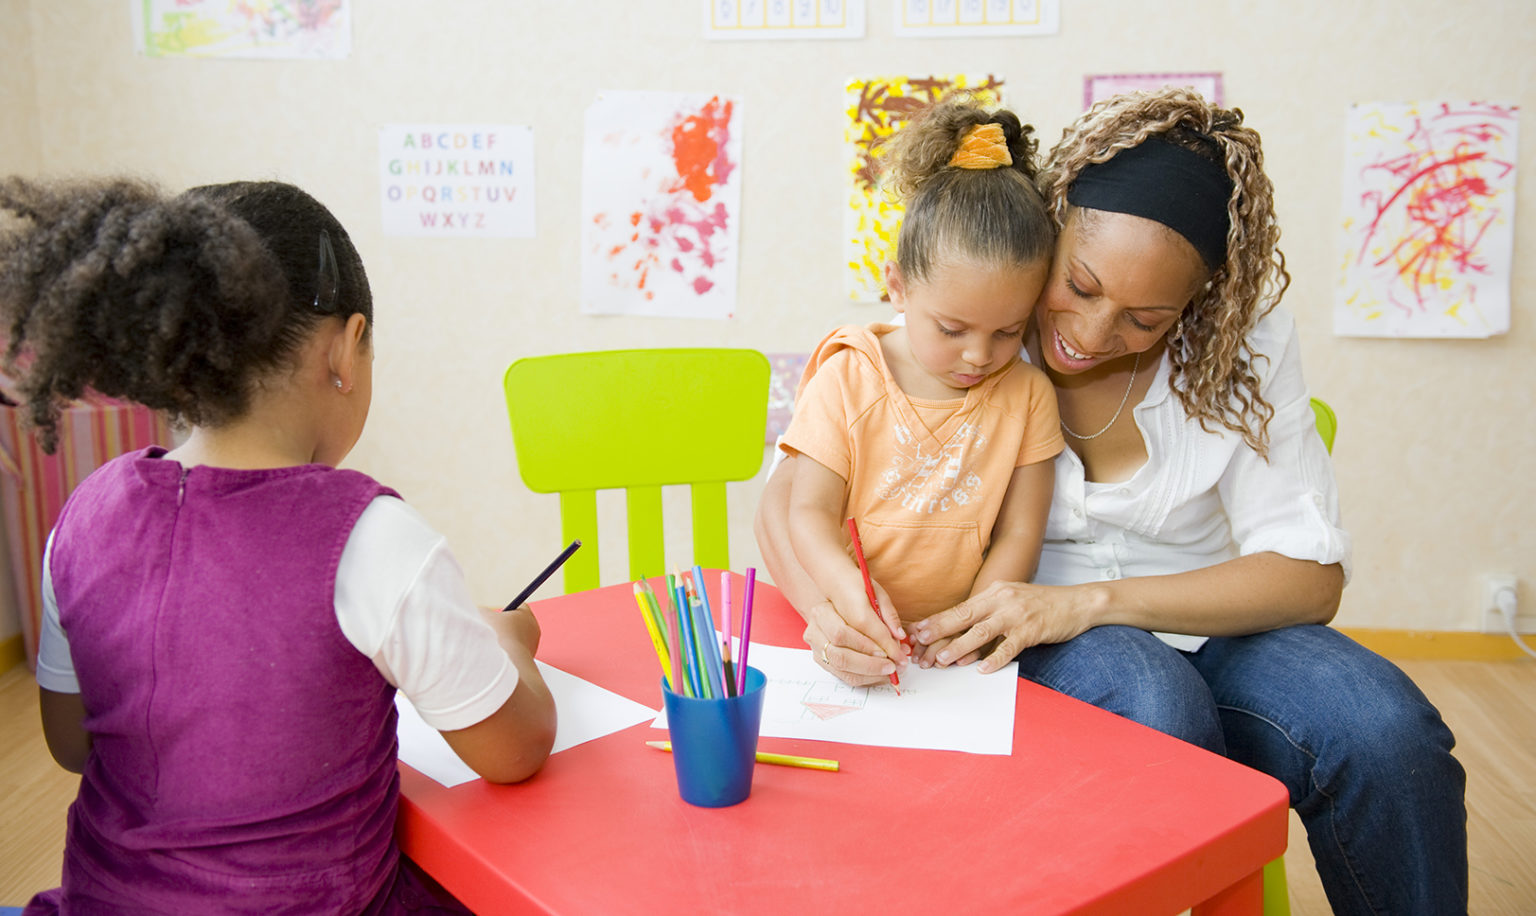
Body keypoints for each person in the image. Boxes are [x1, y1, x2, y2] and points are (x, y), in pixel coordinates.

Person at [755, 88, 1467, 915]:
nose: (1091, 336)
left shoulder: (1243, 343)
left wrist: (1086, 603)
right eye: (1080, 285)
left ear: (1203, 301)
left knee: (1387, 734)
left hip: (1208, 619)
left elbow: (1309, 577)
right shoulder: (979, 314)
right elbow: (789, 504)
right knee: (1152, 700)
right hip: (1026, 636)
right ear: (1048, 229)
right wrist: (828, 611)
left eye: (1147, 317)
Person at [1, 177, 557, 914]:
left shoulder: (84, 514)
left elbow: (72, 744)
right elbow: (515, 754)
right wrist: (507, 638)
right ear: (346, 349)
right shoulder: (372, 539)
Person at [779, 95, 1062, 673]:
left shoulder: (1029, 395)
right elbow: (806, 513)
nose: (980, 355)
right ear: (899, 287)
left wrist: (969, 626)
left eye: (1009, 330)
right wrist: (848, 595)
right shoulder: (847, 377)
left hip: (956, 657)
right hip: (845, 634)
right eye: (953, 329)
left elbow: (1020, 533)